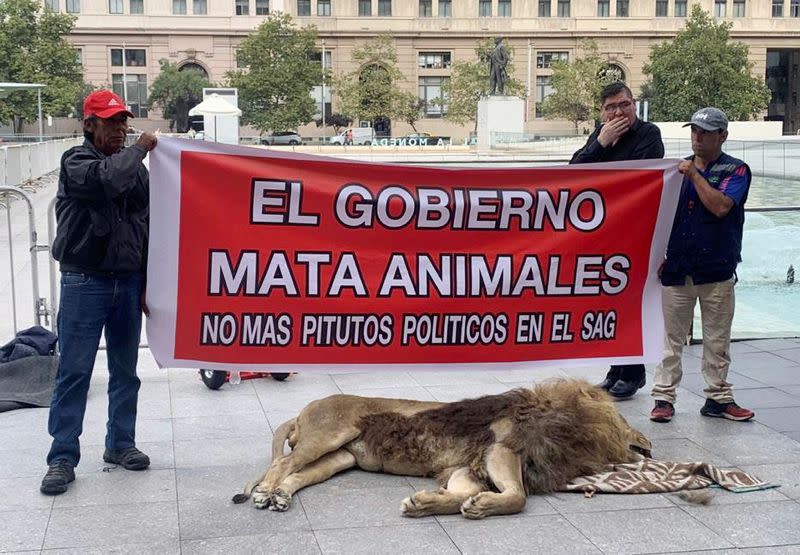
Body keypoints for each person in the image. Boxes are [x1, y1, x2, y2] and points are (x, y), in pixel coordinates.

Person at [40, 90, 158, 495]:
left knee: (126, 371)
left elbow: (146, 226)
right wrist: (143, 148)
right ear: (89, 125)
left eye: (124, 123)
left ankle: (121, 444)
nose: (121, 130)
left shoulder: (135, 171)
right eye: (111, 123)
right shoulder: (77, 161)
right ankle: (61, 456)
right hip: (84, 282)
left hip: (126, 283)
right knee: (74, 372)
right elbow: (106, 180)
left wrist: (145, 282)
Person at [650, 107, 754, 423]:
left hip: (717, 269)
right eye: (695, 131)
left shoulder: (736, 171)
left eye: (706, 132)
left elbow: (721, 207)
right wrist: (656, 257)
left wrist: (694, 175)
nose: (698, 137)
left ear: (722, 135)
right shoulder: (674, 171)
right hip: (678, 267)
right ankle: (663, 398)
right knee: (670, 340)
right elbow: (657, 216)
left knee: (717, 340)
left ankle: (718, 399)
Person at [570, 81, 665, 399]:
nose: (618, 112)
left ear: (634, 104)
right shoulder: (600, 135)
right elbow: (573, 174)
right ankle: (616, 368)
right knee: (608, 302)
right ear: (602, 111)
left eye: (623, 105)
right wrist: (600, 143)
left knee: (631, 302)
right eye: (611, 107)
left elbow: (636, 178)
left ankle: (634, 372)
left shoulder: (648, 135)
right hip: (603, 236)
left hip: (636, 234)